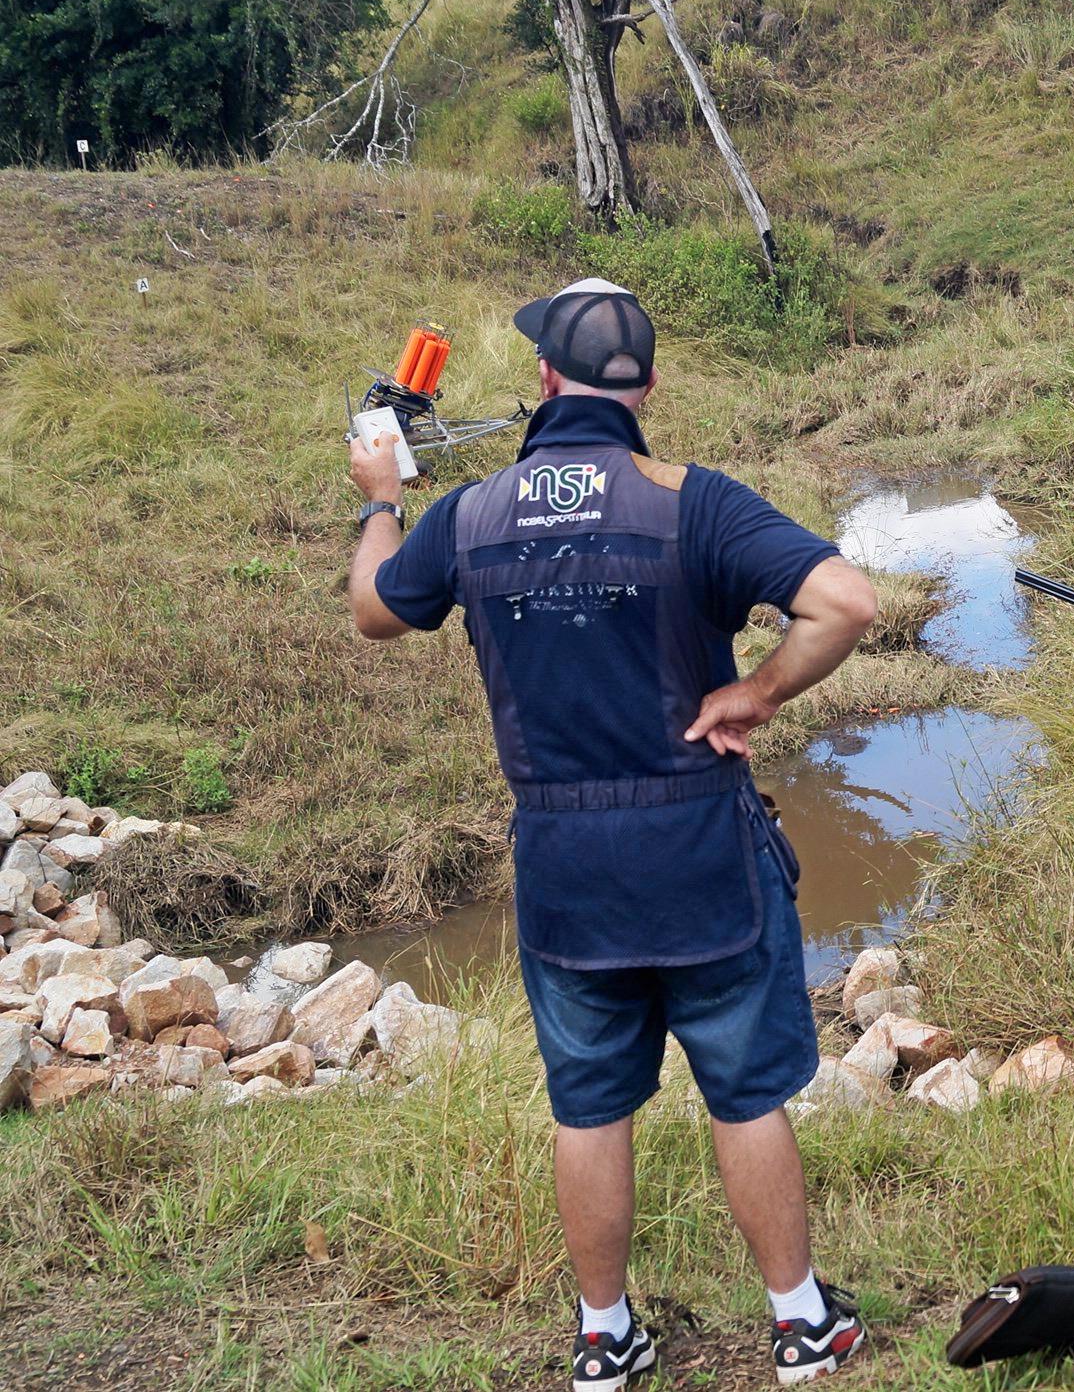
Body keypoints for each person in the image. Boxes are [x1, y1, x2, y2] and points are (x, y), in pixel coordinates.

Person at [345, 279, 878, 1389]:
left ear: (543, 381)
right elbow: (846, 603)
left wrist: (382, 496)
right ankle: (800, 1326)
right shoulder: (696, 501)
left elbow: (373, 609)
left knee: (588, 1107)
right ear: (647, 389)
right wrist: (760, 694)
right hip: (700, 858)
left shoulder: (471, 514)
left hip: (564, 868)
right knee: (745, 1092)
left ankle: (604, 1338)